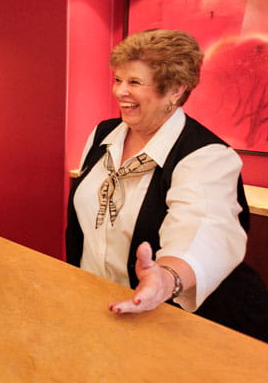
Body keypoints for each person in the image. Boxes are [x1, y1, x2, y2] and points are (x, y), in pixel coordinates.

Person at [67, 28, 268, 342]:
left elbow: (203, 228)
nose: (119, 91)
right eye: (118, 79)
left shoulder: (207, 157)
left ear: (175, 89)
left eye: (134, 82)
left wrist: (166, 278)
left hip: (179, 325)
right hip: (105, 309)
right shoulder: (102, 135)